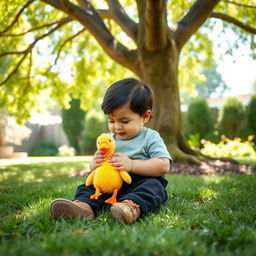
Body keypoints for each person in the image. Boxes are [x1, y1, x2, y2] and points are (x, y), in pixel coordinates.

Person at [50, 78, 172, 224]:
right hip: (111, 184)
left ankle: (130, 207)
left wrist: (132, 164)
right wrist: (94, 164)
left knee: (154, 187)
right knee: (88, 186)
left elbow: (163, 165)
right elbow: (95, 170)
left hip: (141, 180)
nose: (117, 127)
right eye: (111, 121)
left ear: (145, 116)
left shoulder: (150, 137)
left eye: (124, 121)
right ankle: (83, 207)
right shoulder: (108, 139)